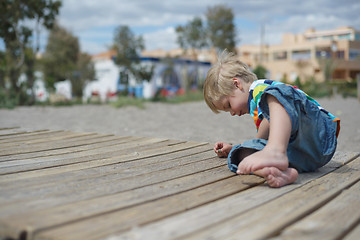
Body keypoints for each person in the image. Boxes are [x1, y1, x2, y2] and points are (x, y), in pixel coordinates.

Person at [203, 50, 340, 188]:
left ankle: (274, 152)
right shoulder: (256, 108)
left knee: (275, 94)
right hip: (305, 156)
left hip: (319, 135)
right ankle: (277, 172)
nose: (232, 113)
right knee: (239, 154)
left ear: (237, 84)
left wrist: (258, 145)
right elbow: (266, 134)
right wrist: (241, 148)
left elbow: (266, 126)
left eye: (228, 105)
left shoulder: (260, 89)